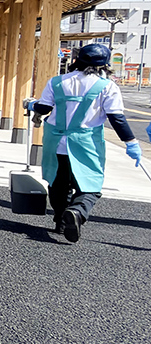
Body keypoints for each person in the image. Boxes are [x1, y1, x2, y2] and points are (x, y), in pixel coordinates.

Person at [27, 43, 141, 243]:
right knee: (90, 184)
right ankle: (77, 211)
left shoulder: (57, 82)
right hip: (86, 142)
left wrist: (31, 104)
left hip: (56, 141)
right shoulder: (107, 87)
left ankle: (61, 221)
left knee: (57, 181)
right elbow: (117, 118)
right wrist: (130, 142)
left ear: (76, 61)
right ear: (104, 66)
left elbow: (44, 108)